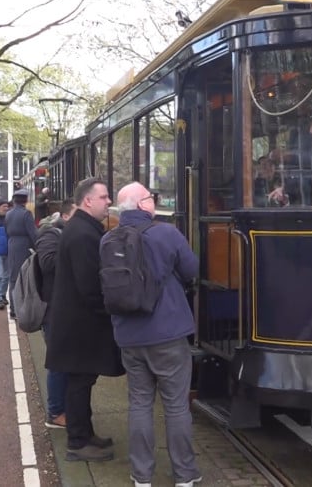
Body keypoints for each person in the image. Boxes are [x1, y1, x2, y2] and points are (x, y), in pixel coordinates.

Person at [105, 182, 201, 487]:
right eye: (150, 197)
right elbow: (191, 269)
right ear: (142, 204)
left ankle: (141, 476)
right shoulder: (166, 233)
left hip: (129, 336)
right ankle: (185, 475)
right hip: (168, 333)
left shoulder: (107, 239)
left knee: (139, 404)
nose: (153, 201)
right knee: (176, 405)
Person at [44, 177, 121, 463]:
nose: (109, 201)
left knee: (82, 381)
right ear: (88, 201)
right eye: (104, 197)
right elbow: (89, 285)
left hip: (75, 322)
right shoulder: (83, 234)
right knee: (79, 383)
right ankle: (77, 442)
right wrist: (110, 310)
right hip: (81, 324)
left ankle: (85, 434)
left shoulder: (80, 229)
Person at [36, 199, 75, 429]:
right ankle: (55, 412)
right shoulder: (50, 234)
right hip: (53, 309)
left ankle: (65, 408)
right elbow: (48, 263)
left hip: (65, 308)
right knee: (58, 362)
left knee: (66, 361)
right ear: (66, 216)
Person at [5, 188, 38, 318]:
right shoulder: (26, 214)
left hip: (12, 244)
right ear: (26, 200)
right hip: (23, 245)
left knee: (13, 278)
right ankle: (19, 309)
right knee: (23, 277)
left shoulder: (8, 214)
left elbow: (6, 230)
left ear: (14, 201)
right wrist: (38, 248)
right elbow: (33, 233)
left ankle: (13, 308)